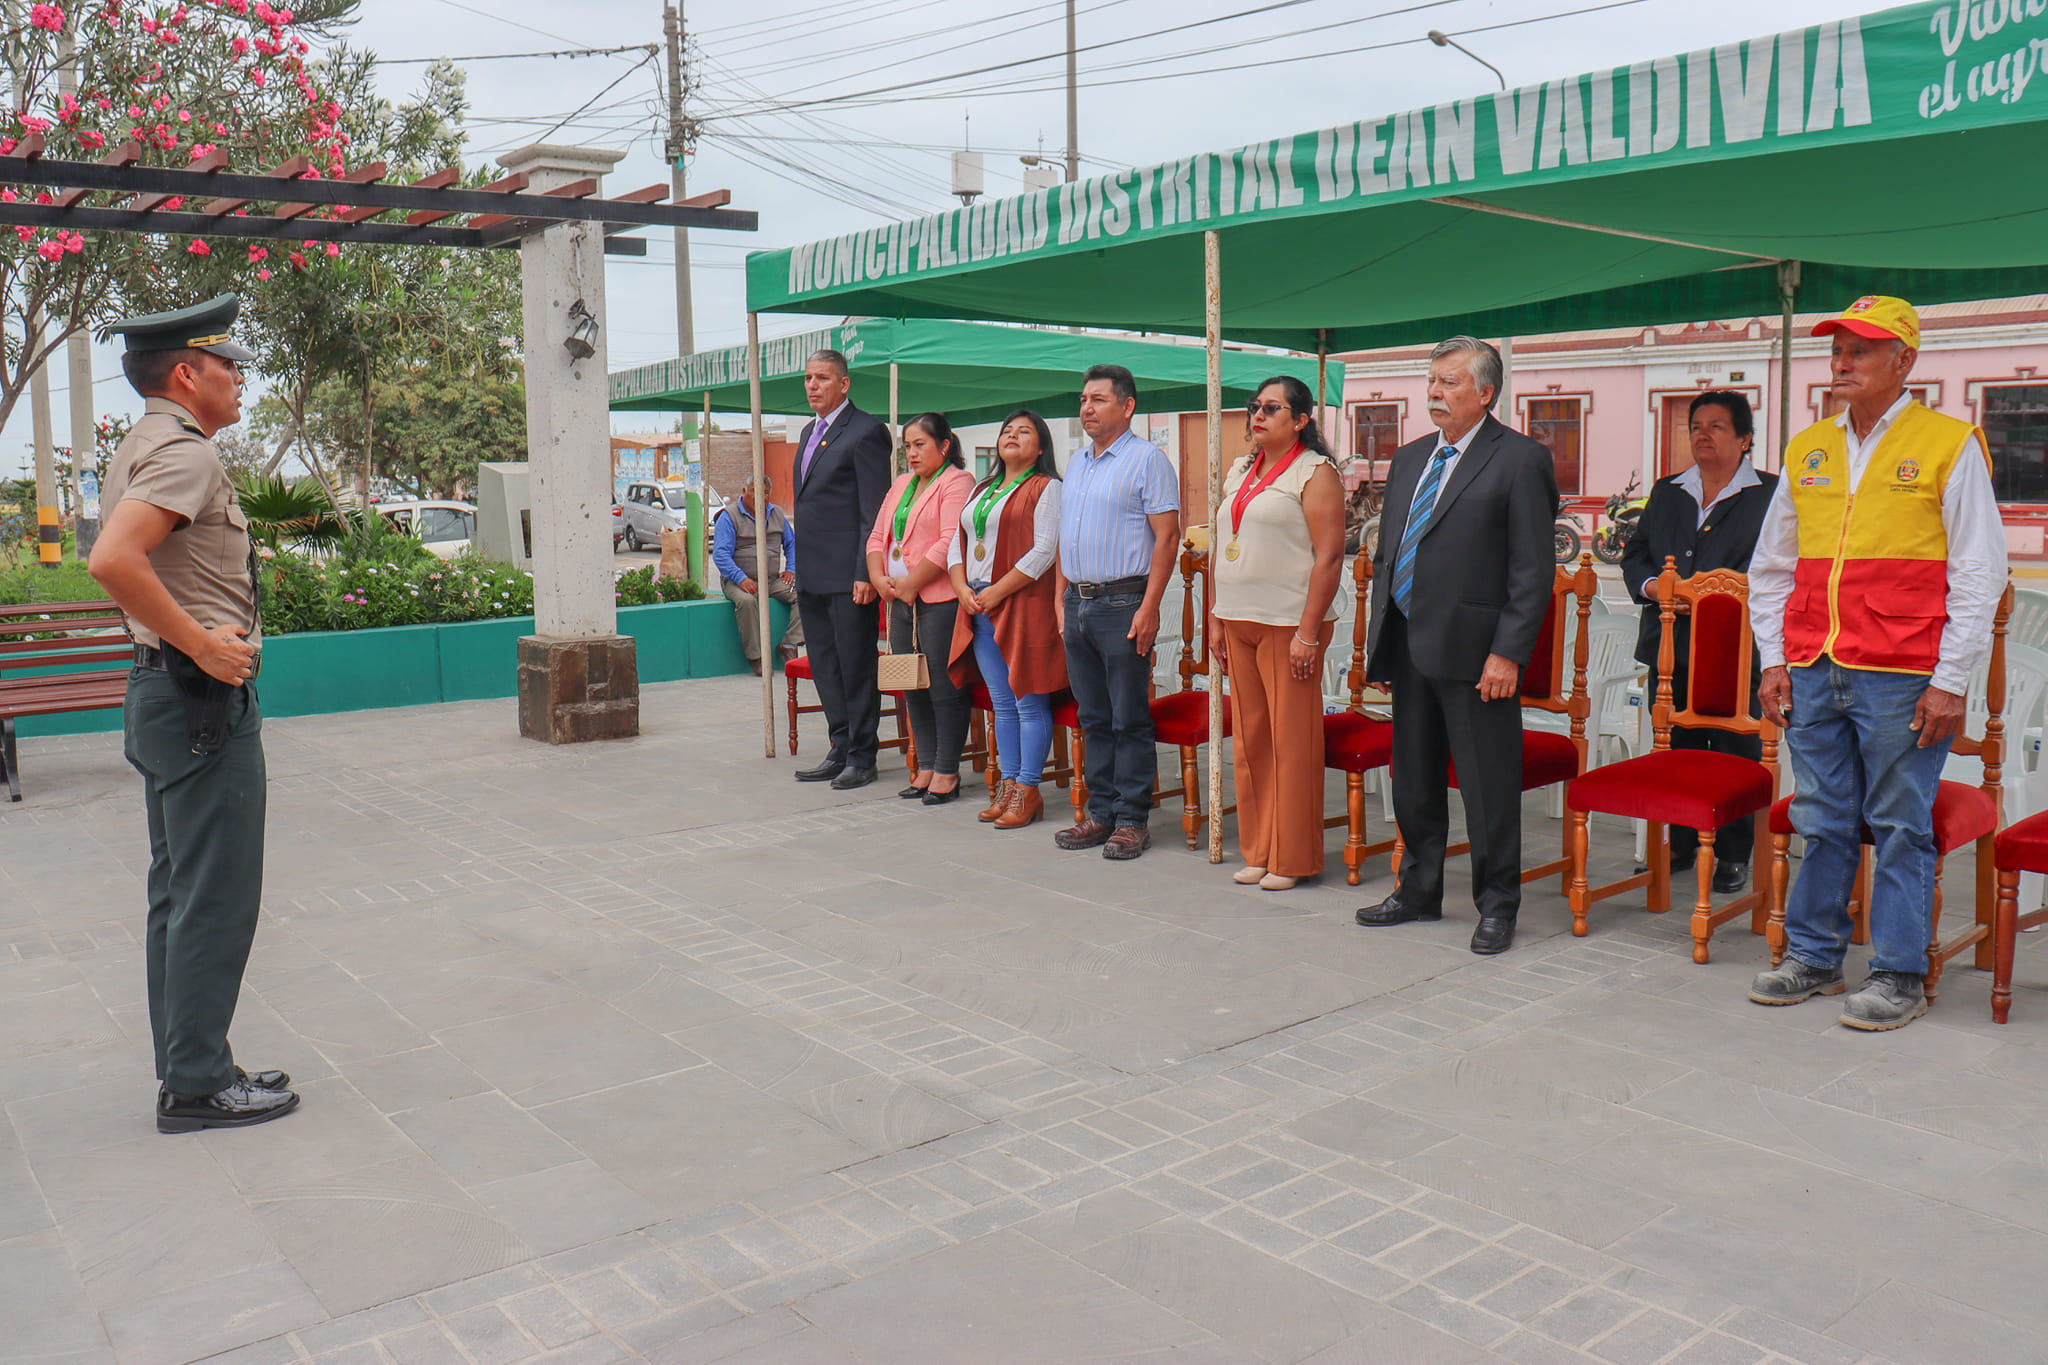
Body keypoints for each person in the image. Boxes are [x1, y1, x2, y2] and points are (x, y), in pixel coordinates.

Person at [1747, 296, 2006, 1031]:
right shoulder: (1809, 448)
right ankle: (1814, 956)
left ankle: (1897, 973)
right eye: (1839, 346)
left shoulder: (1950, 443)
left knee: (1898, 820)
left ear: (1904, 361)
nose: (1843, 360)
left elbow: (1978, 572)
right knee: (1821, 813)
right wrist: (1775, 661)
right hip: (1813, 661)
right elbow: (1771, 567)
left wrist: (1951, 679)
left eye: (1863, 348)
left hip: (1900, 669)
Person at [87, 294, 297, 1133]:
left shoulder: (140, 447)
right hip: (198, 700)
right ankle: (201, 1082)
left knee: (178, 893)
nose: (240, 377)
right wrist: (202, 646)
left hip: (166, 699)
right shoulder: (185, 455)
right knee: (213, 896)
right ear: (187, 373)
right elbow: (112, 558)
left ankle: (191, 1064)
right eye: (228, 364)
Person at [1354, 336, 1558, 955]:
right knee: (1414, 778)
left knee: (1487, 785)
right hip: (1413, 642)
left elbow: (1531, 570)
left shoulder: (1520, 460)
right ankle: (1418, 890)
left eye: (1449, 383)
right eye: (1432, 381)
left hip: (1478, 656)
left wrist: (1509, 652)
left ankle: (1497, 904)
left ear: (1486, 392)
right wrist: (1381, 645)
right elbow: (1391, 557)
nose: (1435, 393)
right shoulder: (1412, 457)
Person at [1619, 391, 1780, 893]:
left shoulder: (1772, 495)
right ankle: (1683, 843)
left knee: (1736, 751)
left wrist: (1717, 596)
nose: (1703, 435)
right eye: (1696, 427)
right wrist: (1655, 588)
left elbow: (1780, 568)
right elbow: (1637, 554)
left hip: (1739, 649)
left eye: (1716, 427)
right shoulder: (1669, 491)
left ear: (1745, 438)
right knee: (1677, 746)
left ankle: (1734, 854)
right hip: (1670, 645)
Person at [1208, 377, 1346, 890]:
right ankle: (1260, 848)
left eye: (1272, 407)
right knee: (1250, 741)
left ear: (1301, 419)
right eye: (1254, 407)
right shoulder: (1242, 471)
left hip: (1289, 623)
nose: (1258, 415)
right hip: (1239, 617)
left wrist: (1309, 631)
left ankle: (1293, 857)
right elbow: (1225, 543)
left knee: (1292, 743)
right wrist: (1217, 617)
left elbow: (1330, 555)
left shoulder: (1315, 472)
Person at [1053, 364, 1181, 861]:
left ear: (1127, 406)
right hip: (1079, 603)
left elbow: (1167, 537)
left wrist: (1150, 608)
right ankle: (1100, 813)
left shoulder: (1148, 459)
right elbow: (1067, 535)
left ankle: (1131, 819)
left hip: (1124, 601)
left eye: (1099, 399)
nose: (1087, 407)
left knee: (1129, 717)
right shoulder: (1078, 461)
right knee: (1093, 716)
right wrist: (1062, 600)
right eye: (1084, 399)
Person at [947, 409, 1065, 829]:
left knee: (1027, 699)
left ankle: (1029, 790)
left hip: (1020, 602)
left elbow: (1045, 549)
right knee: (1001, 703)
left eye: (1024, 431)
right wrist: (962, 588)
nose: (1012, 436)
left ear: (1040, 445)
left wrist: (996, 591)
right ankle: (1010, 784)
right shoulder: (982, 487)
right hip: (977, 604)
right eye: (1006, 431)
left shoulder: (1046, 487)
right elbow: (957, 543)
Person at [790, 350, 893, 790]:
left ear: (844, 384)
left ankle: (862, 754)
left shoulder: (867, 431)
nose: (813, 386)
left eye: (823, 379)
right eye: (809, 378)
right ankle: (839, 744)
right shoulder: (808, 431)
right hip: (812, 573)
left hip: (849, 576)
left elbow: (874, 513)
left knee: (855, 665)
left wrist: (865, 572)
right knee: (826, 666)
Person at [867, 414, 976, 803]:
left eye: (919, 445)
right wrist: (881, 580)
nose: (911, 453)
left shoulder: (957, 481)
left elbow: (949, 541)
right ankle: (925, 765)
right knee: (909, 682)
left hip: (939, 597)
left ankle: (947, 771)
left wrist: (911, 584)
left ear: (944, 446)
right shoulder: (900, 485)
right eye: (907, 446)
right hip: (898, 599)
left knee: (942, 686)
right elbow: (878, 536)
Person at [713, 475, 802, 675]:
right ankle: (755, 656)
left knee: (805, 592)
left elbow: (792, 544)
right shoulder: (729, 516)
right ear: (744, 492)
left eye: (765, 492)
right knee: (746, 601)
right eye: (754, 491)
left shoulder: (777, 514)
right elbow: (720, 555)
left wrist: (792, 569)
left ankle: (790, 643)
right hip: (737, 581)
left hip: (771, 580)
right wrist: (741, 578)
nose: (760, 496)